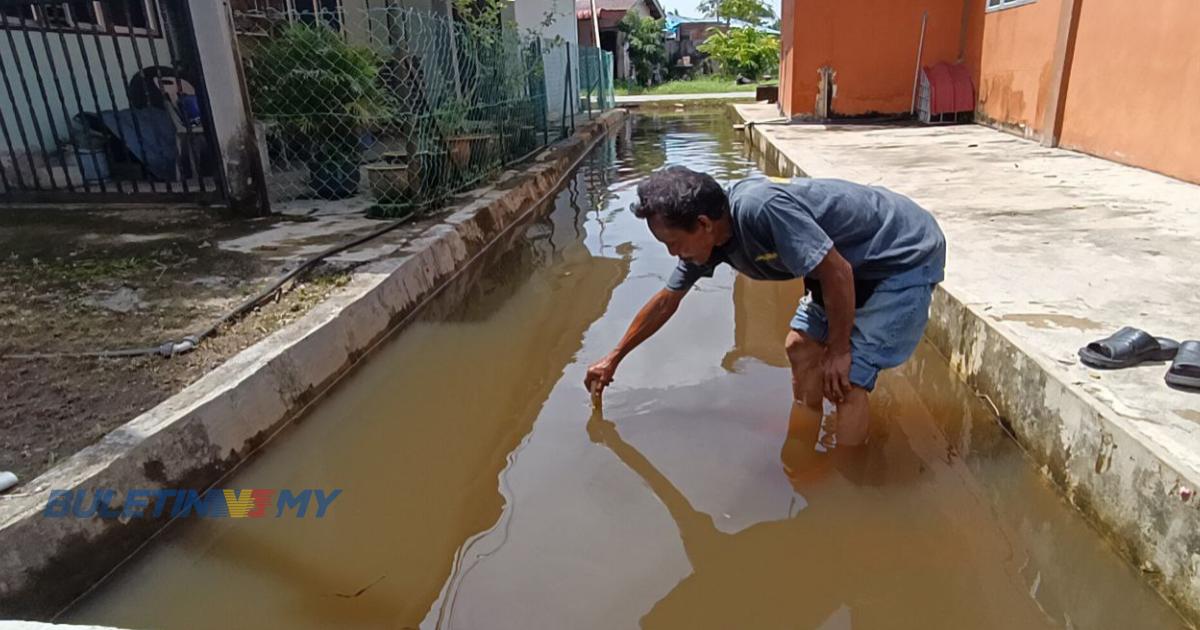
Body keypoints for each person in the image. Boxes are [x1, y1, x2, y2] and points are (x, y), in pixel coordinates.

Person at [584, 166, 946, 447]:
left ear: (703, 224)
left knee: (847, 379)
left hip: (901, 253)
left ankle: (843, 486)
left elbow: (837, 271)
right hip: (847, 264)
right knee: (800, 347)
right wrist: (613, 358)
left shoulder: (760, 209)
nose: (672, 253)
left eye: (674, 242)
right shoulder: (711, 242)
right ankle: (806, 429)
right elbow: (667, 301)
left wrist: (839, 350)